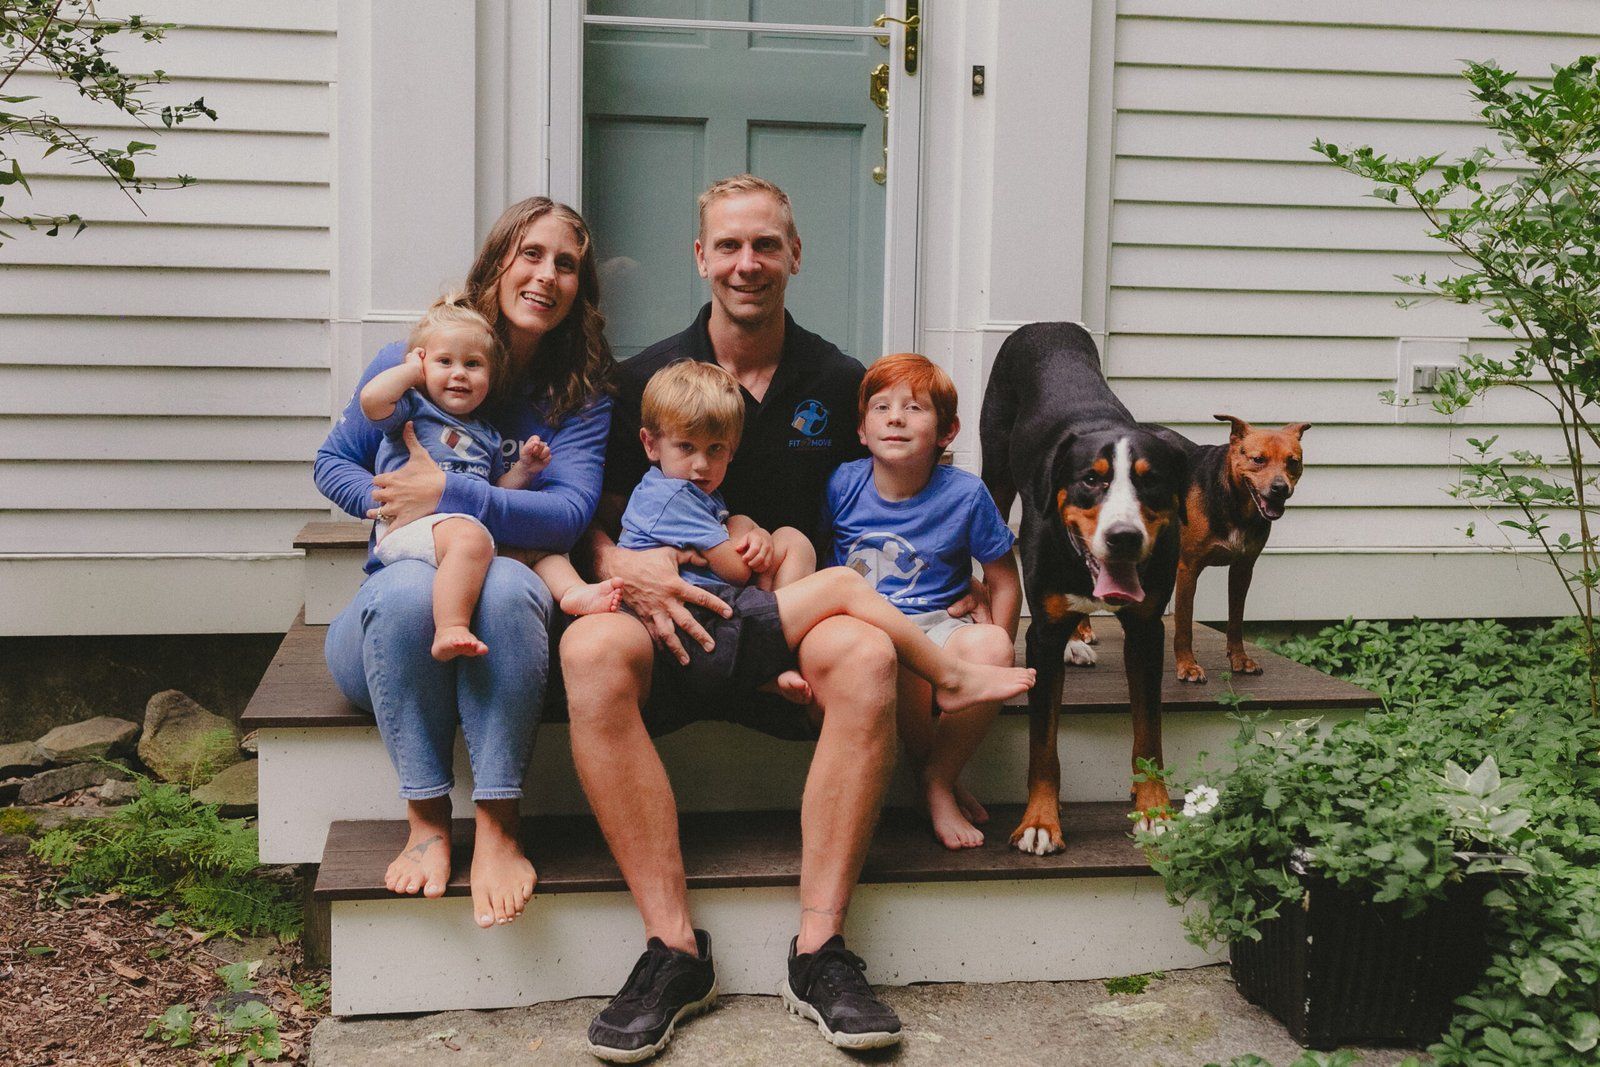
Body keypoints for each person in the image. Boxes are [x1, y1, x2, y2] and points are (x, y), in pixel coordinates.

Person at [564, 175, 990, 1060]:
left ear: (794, 255)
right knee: (591, 647)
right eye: (728, 245)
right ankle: (673, 950)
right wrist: (620, 565)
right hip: (671, 614)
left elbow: (895, 494)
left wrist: (964, 574)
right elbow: (589, 517)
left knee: (869, 655)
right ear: (701, 257)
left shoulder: (841, 383)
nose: (746, 264)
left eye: (765, 245)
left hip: (793, 615)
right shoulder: (644, 380)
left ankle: (820, 948)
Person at [315, 197, 614, 931]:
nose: (546, 275)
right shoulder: (417, 358)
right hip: (390, 617)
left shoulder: (582, 396)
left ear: (581, 287)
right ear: (497, 261)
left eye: (566, 264)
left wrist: (449, 491)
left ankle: (499, 826)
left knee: (511, 581)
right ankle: (424, 820)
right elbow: (332, 462)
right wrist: (390, 502)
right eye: (530, 254)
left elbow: (569, 514)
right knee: (415, 589)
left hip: (497, 630)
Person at [619, 359, 1033, 714]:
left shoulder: (684, 489)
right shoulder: (673, 496)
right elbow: (735, 570)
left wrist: (746, 525)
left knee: (790, 540)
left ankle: (776, 665)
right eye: (686, 447)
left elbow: (1001, 572)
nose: (700, 465)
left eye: (715, 450)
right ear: (650, 445)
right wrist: (743, 531)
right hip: (691, 633)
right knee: (844, 582)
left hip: (710, 625)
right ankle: (952, 678)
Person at [824, 353, 1024, 850]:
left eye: (915, 408)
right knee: (897, 652)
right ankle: (936, 783)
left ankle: (937, 776)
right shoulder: (842, 485)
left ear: (947, 431)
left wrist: (1001, 641)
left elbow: (1002, 579)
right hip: (868, 629)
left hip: (942, 622)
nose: (896, 417)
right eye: (881, 407)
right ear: (862, 430)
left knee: (993, 650)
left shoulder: (965, 495)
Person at [357, 296, 621, 661]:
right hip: (414, 526)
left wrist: (524, 470)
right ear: (421, 363)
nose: (459, 373)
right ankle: (450, 627)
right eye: (444, 362)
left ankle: (573, 592)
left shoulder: (486, 434)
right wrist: (410, 373)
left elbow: (495, 491)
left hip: (464, 529)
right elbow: (371, 400)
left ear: (492, 375)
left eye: (473, 364)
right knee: (470, 539)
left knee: (539, 551)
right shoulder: (412, 408)